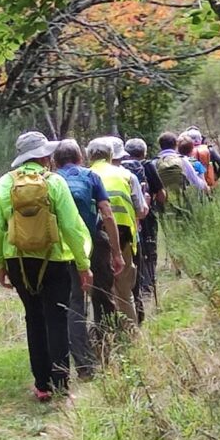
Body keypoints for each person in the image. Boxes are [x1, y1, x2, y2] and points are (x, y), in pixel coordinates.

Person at [0, 131, 93, 401]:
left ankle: (42, 386)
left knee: (33, 317)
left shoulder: (5, 183)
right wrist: (83, 264)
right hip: (54, 259)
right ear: (45, 156)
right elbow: (71, 227)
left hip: (17, 261)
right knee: (56, 319)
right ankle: (61, 384)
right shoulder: (55, 182)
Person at [53, 139, 125, 378]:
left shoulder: (51, 180)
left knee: (74, 303)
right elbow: (107, 214)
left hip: (62, 249)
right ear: (80, 158)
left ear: (55, 161)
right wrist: (116, 252)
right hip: (93, 244)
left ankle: (84, 365)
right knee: (103, 296)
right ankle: (107, 349)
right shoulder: (91, 177)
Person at [87, 137, 140, 330]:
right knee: (124, 291)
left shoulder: (85, 175)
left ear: (89, 157)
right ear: (111, 155)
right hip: (124, 235)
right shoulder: (127, 175)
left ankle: (103, 333)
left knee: (98, 289)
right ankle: (132, 334)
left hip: (94, 237)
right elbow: (141, 210)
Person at [124, 137, 164, 299]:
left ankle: (136, 283)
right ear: (144, 152)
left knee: (132, 248)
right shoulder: (148, 166)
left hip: (127, 216)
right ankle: (149, 282)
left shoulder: (120, 168)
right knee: (149, 247)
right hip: (146, 213)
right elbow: (161, 195)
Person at [154, 131, 208, 217]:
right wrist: (205, 187)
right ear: (176, 145)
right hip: (182, 204)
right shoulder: (182, 160)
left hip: (163, 207)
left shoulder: (154, 162)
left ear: (160, 146)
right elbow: (196, 181)